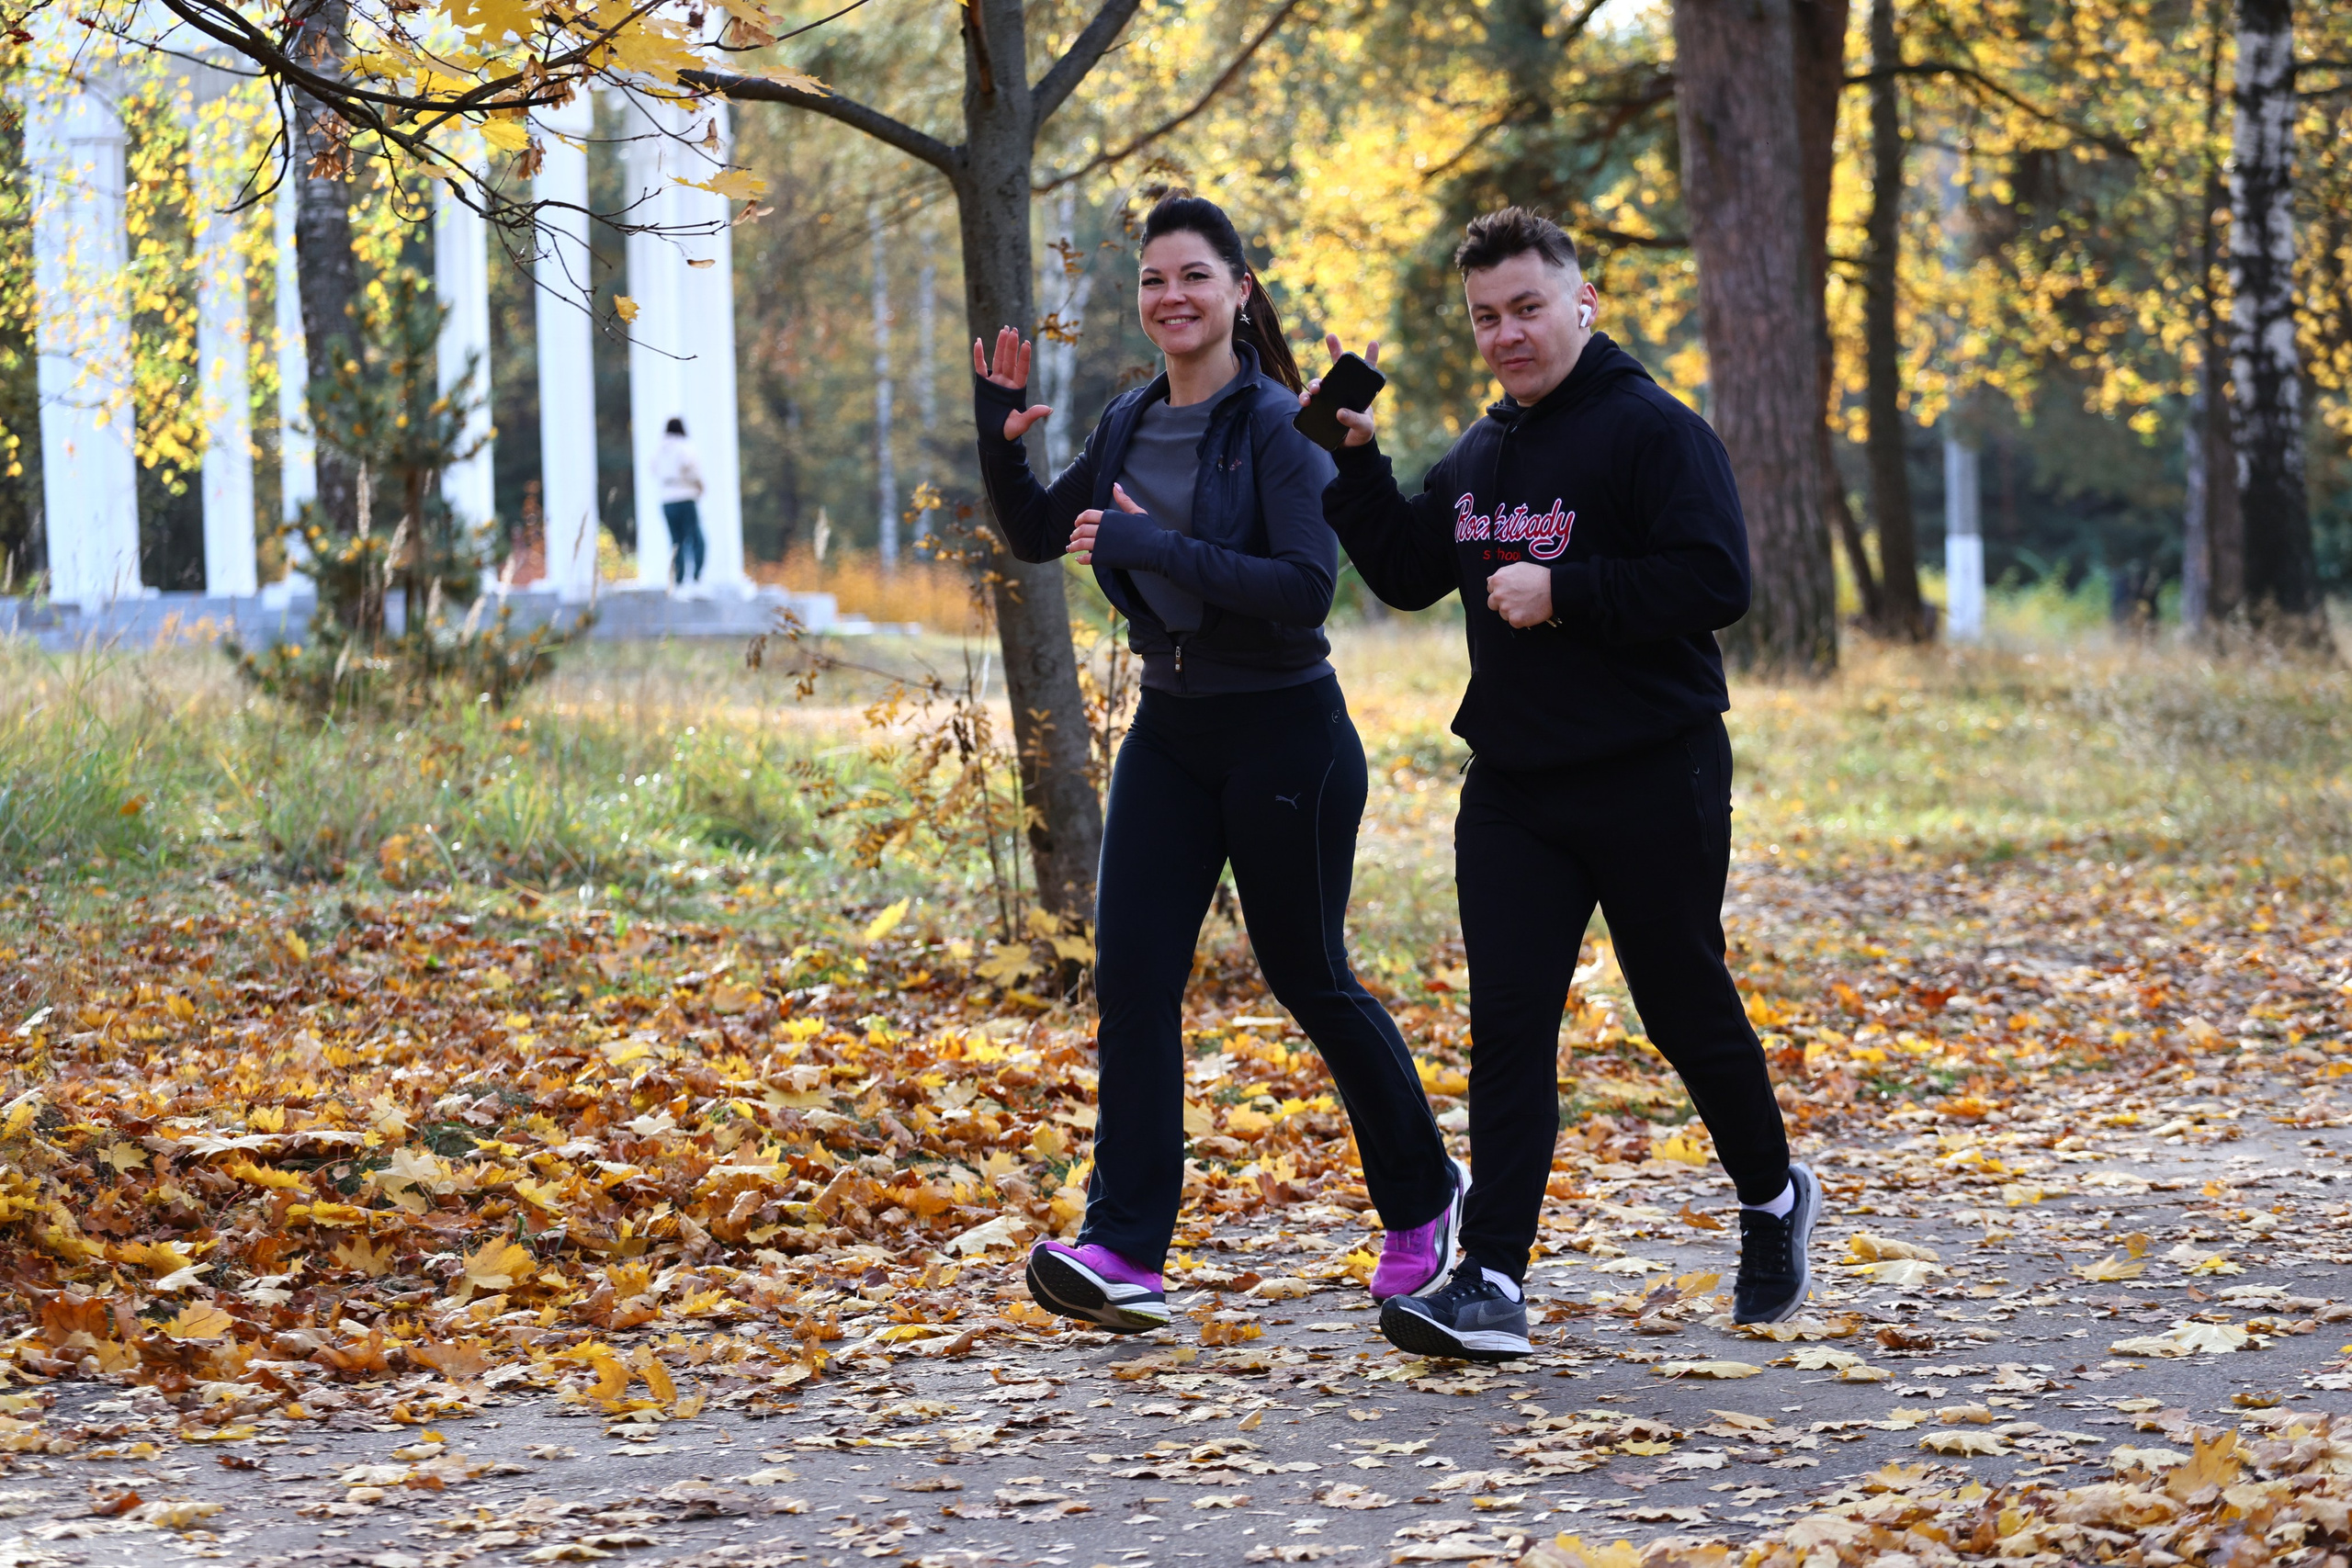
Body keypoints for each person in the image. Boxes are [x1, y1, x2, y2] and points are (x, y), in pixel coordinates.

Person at [1312, 207, 1818, 1361]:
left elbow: (1716, 577)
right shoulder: (1484, 454)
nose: (1507, 334)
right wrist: (1353, 464)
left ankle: (1771, 1195)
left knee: (1679, 1002)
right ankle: (1490, 1276)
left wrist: (1569, 589)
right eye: (1486, 317)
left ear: (1580, 302)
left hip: (1654, 766)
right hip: (1516, 787)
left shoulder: (1653, 431)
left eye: (1527, 308)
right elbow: (1402, 569)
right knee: (1508, 1030)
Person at [972, 192, 1466, 1334]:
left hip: (1286, 730)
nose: (1171, 298)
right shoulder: (1126, 421)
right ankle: (1125, 1248)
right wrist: (1003, 449)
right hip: (1174, 727)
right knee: (1135, 980)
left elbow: (1304, 588)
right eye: (1153, 280)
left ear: (1240, 291)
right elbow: (1047, 531)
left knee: (1309, 977)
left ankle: (1425, 1195)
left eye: (1193, 276)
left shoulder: (1284, 429)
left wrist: (1152, 540)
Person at [654, 416, 707, 586]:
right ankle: (697, 576)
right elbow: (691, 468)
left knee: (676, 541)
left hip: (666, 498)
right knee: (696, 539)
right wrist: (700, 486)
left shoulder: (660, 449)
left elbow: (652, 468)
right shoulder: (684, 446)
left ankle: (679, 579)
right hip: (685, 496)